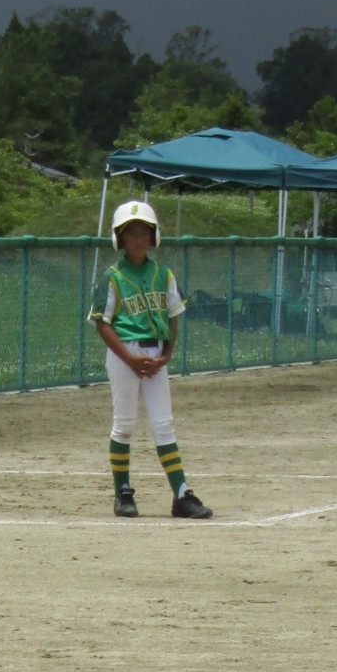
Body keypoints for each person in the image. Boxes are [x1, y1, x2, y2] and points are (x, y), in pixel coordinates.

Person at [90, 199, 214, 520]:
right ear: (119, 238)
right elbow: (102, 322)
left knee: (163, 424)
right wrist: (130, 359)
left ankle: (182, 494)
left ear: (154, 235)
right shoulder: (112, 276)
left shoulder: (164, 274)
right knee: (125, 424)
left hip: (156, 355)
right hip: (124, 352)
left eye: (144, 231)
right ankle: (123, 493)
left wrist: (167, 354)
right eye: (130, 232)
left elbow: (174, 315)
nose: (138, 238)